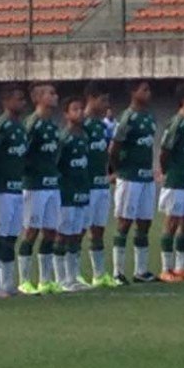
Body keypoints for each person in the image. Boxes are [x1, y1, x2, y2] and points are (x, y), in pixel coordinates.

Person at [109, 80, 158, 284]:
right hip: (130, 178)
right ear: (133, 92)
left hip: (146, 177)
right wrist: (118, 170)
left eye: (149, 89)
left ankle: (141, 271)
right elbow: (114, 149)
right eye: (144, 90)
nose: (148, 93)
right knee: (124, 222)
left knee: (145, 223)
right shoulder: (127, 118)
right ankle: (118, 272)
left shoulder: (150, 117)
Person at [0, 84, 28, 297]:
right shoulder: (1, 126)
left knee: (11, 236)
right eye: (18, 98)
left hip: (17, 188)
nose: (23, 102)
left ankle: (8, 284)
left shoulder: (20, 126)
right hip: (0, 190)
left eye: (23, 99)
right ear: (6, 101)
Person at [18, 82, 61, 295]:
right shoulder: (31, 124)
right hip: (34, 186)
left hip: (52, 184)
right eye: (50, 93)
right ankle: (24, 280)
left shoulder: (52, 125)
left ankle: (45, 280)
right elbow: (22, 154)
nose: (55, 96)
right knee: (31, 231)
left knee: (51, 232)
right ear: (38, 98)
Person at [157, 82, 184, 282]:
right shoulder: (177, 123)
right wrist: (166, 172)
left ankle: (181, 267)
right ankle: (166, 268)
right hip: (176, 180)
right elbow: (165, 151)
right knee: (172, 222)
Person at [54, 95, 92, 292]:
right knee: (62, 235)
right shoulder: (63, 138)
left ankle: (73, 276)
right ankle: (61, 279)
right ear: (66, 114)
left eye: (81, 109)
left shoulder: (84, 136)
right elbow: (56, 165)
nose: (80, 113)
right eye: (75, 109)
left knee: (76, 235)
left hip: (82, 191)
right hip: (66, 193)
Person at [82, 82, 113, 287]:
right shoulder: (81, 125)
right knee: (76, 232)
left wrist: (111, 173)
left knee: (99, 230)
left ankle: (99, 274)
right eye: (103, 100)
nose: (106, 105)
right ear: (91, 99)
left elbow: (107, 154)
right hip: (86, 186)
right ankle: (71, 274)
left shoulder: (103, 126)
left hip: (102, 186)